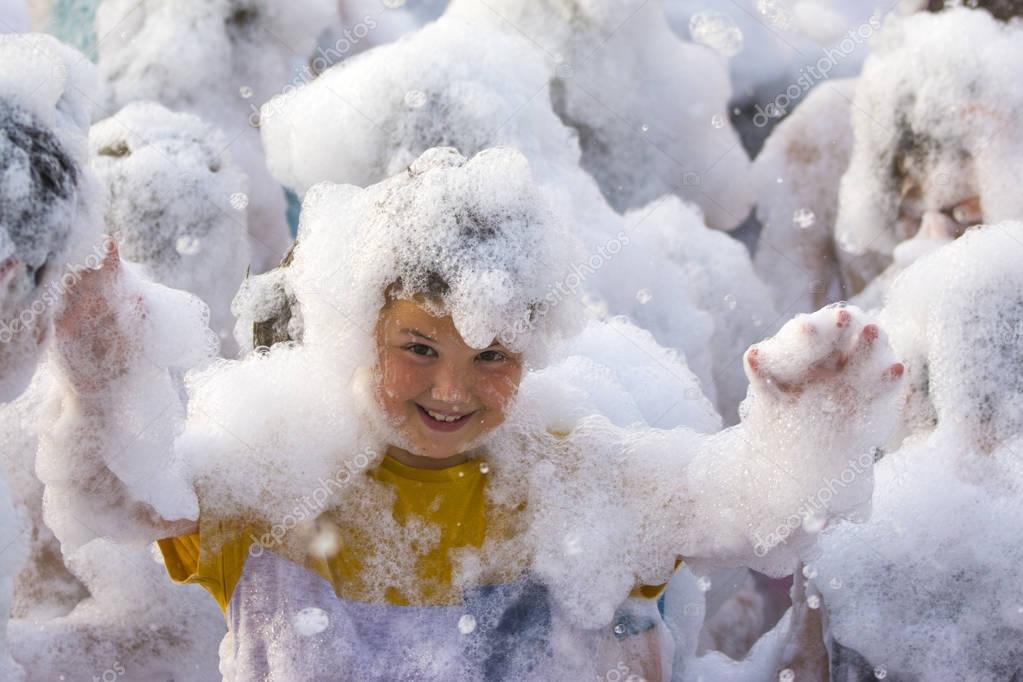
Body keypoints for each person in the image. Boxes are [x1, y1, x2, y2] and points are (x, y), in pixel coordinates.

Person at [49, 147, 903, 680]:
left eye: (490, 356)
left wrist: (805, 436)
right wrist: (101, 389)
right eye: (417, 347)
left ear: (530, 353)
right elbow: (126, 502)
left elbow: (739, 508)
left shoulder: (569, 474)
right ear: (357, 331)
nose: (451, 392)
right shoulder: (277, 471)